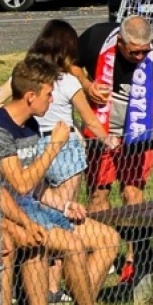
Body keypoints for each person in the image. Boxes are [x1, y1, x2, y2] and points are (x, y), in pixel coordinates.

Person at [0, 55, 125, 305]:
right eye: (49, 94)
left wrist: (62, 204)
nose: (52, 99)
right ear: (31, 96)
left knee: (108, 239)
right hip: (8, 213)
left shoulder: (31, 125)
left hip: (35, 207)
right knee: (72, 246)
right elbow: (19, 184)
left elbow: (33, 188)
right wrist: (55, 145)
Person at [75, 16, 153, 213]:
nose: (140, 57)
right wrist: (86, 85)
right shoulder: (96, 37)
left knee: (133, 194)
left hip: (136, 135)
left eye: (145, 51)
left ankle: (137, 243)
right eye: (134, 52)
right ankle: (103, 242)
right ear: (120, 42)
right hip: (100, 132)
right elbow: (69, 63)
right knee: (98, 194)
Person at [27, 20, 117, 209]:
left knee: (38, 206)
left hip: (32, 144)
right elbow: (90, 120)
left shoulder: (25, 75)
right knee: (66, 209)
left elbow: (2, 97)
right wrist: (108, 140)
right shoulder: (68, 81)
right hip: (64, 146)